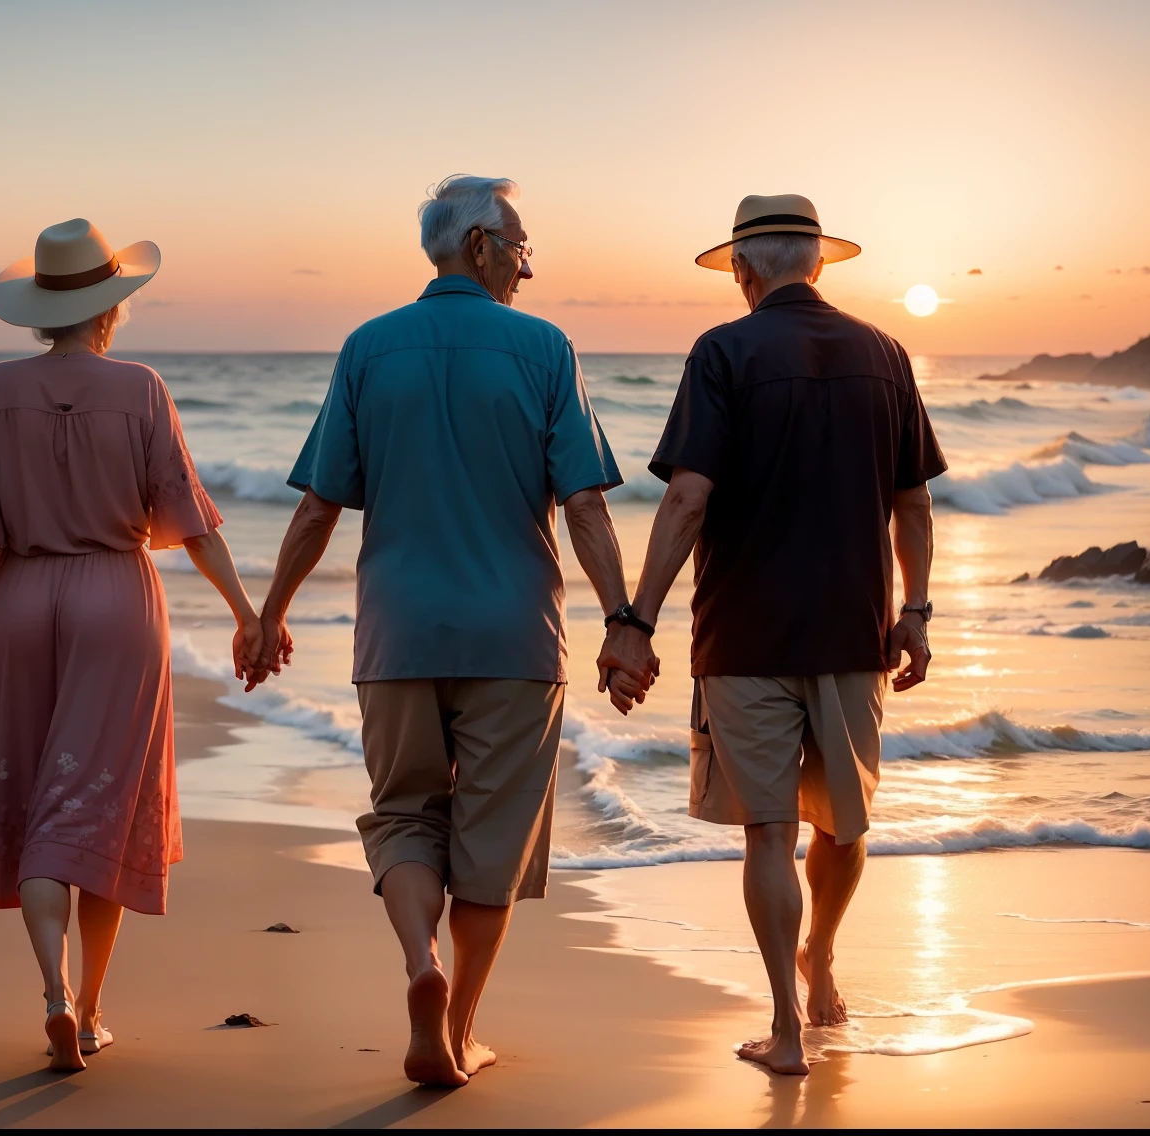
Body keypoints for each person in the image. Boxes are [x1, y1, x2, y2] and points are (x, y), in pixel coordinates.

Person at [252, 175, 653, 1087]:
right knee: (491, 841)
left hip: (396, 636)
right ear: (480, 245)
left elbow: (320, 508)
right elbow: (584, 505)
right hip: (515, 638)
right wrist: (622, 621)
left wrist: (269, 615)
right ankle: (459, 1025)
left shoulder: (367, 347)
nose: (526, 265)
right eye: (520, 247)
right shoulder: (544, 348)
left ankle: (418, 965)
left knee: (402, 816)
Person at [617, 194, 943, 1075]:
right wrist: (914, 613)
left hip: (745, 634)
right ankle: (823, 964)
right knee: (843, 826)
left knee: (768, 832)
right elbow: (913, 503)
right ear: (821, 264)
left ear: (745, 271)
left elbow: (688, 497)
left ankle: (786, 1031)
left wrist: (636, 620)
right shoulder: (886, 353)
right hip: (852, 631)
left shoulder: (722, 351)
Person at [0, 218, 262, 1073]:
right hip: (117, 599)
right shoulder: (142, 389)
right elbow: (190, 523)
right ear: (111, 308)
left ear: (41, 307)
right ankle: (92, 1011)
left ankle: (53, 991)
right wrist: (246, 612)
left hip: (19, 600)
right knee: (99, 810)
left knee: (39, 798)